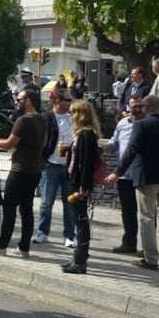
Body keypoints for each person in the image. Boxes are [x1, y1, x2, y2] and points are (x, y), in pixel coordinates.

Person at [109, 95, 159, 270]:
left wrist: (117, 172)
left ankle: (151, 259)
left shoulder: (141, 125)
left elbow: (131, 150)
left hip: (146, 179)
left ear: (147, 107)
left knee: (147, 218)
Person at [0, 89, 46, 257]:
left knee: (9, 207)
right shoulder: (41, 119)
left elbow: (8, 144)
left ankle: (2, 244)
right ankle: (24, 247)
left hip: (19, 170)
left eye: (19, 99)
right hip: (34, 171)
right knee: (27, 208)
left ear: (29, 100)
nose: (17, 102)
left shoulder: (23, 120)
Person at [60, 99, 102, 274]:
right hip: (73, 180)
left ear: (80, 114)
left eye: (72, 112)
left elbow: (86, 163)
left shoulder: (87, 134)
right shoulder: (80, 134)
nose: (70, 116)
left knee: (81, 221)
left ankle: (80, 260)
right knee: (78, 219)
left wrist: (83, 186)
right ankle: (77, 258)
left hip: (79, 183)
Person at [33, 88, 77, 247]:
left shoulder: (73, 118)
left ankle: (70, 235)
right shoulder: (46, 118)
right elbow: (38, 139)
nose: (70, 103)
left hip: (69, 166)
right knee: (46, 202)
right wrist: (41, 159)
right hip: (50, 165)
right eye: (67, 100)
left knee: (70, 203)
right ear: (57, 101)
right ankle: (42, 232)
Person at [103, 95, 145, 254]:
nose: (137, 109)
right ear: (128, 107)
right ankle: (129, 243)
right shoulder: (122, 123)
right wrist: (101, 146)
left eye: (140, 106)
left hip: (142, 175)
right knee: (127, 212)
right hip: (124, 175)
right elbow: (114, 144)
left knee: (146, 214)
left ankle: (147, 246)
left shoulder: (147, 124)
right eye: (134, 106)